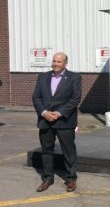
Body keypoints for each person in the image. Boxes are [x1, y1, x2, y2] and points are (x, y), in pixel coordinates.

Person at [32, 52, 82, 192]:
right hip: (45, 120)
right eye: (54, 61)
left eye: (59, 62)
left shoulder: (74, 77)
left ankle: (71, 178)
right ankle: (48, 178)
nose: (55, 64)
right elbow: (36, 97)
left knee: (69, 150)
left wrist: (59, 113)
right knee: (46, 150)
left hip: (65, 121)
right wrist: (44, 112)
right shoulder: (43, 77)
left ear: (65, 63)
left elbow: (75, 99)